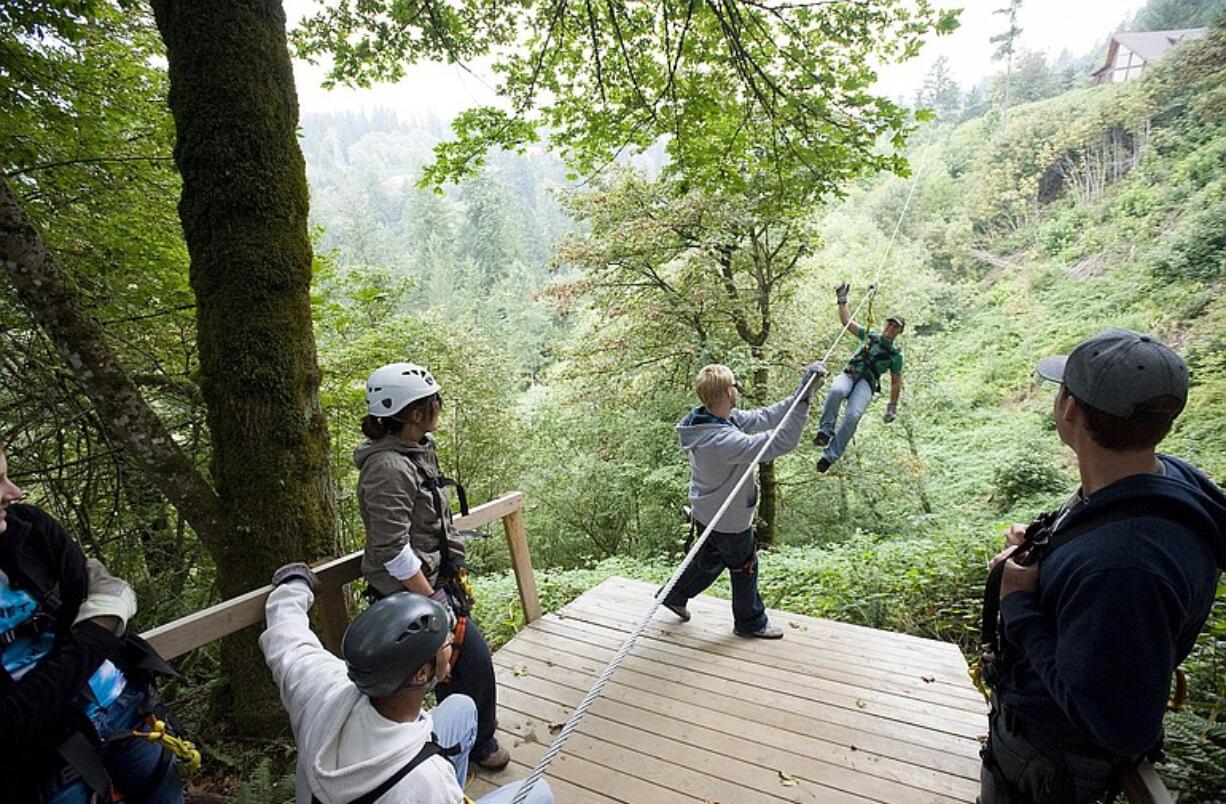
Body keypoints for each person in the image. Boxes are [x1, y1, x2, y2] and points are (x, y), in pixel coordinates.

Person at [979, 329, 1225, 803]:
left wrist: (1019, 603)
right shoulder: (1163, 480)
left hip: (1052, 765)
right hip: (1042, 746)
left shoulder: (1125, 565)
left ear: (1070, 409)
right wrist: (1045, 550)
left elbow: (1119, 728)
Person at [259, 563, 554, 804]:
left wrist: (293, 586)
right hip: (409, 781)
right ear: (421, 674)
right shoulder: (424, 782)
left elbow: (288, 641)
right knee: (538, 793)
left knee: (461, 707)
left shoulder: (324, 686)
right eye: (446, 643)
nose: (452, 644)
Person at [0, 442, 184, 803]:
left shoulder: (31, 529)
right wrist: (98, 628)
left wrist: (101, 623)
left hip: (126, 711)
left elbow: (96, 587)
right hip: (47, 763)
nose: (14, 492)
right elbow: (10, 720)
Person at [354, 363, 508, 770]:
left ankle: (461, 739)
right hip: (411, 594)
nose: (438, 407)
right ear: (415, 412)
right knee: (470, 663)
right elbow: (391, 547)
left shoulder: (415, 450)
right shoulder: (387, 467)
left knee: (454, 667)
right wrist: (433, 598)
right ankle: (478, 745)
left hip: (432, 583)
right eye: (433, 402)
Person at [660, 361, 827, 638]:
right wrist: (805, 401)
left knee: (710, 559)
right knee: (744, 566)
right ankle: (751, 622)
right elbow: (782, 441)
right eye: (734, 386)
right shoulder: (721, 441)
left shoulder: (711, 421)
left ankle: (674, 594)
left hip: (707, 512)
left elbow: (766, 416)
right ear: (728, 392)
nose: (736, 390)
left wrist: (803, 393)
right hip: (728, 520)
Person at [814, 282, 905, 472]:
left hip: (866, 384)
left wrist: (892, 406)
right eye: (889, 323)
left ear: (899, 332)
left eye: (895, 327)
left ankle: (830, 456)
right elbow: (846, 321)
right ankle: (825, 431)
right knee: (837, 390)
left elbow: (896, 382)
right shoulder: (870, 336)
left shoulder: (896, 356)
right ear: (885, 323)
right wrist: (842, 299)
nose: (890, 327)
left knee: (853, 416)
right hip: (850, 374)